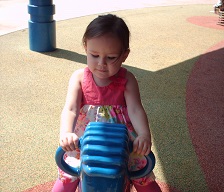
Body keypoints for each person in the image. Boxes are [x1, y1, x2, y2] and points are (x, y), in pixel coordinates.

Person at [52, 14, 161, 192]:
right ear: (86, 47)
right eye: (94, 55)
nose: (101, 64)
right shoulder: (79, 78)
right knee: (69, 173)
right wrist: (66, 133)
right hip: (86, 144)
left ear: (124, 55)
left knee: (142, 173)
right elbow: (70, 108)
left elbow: (135, 109)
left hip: (122, 143)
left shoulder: (127, 79)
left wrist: (143, 135)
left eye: (111, 57)